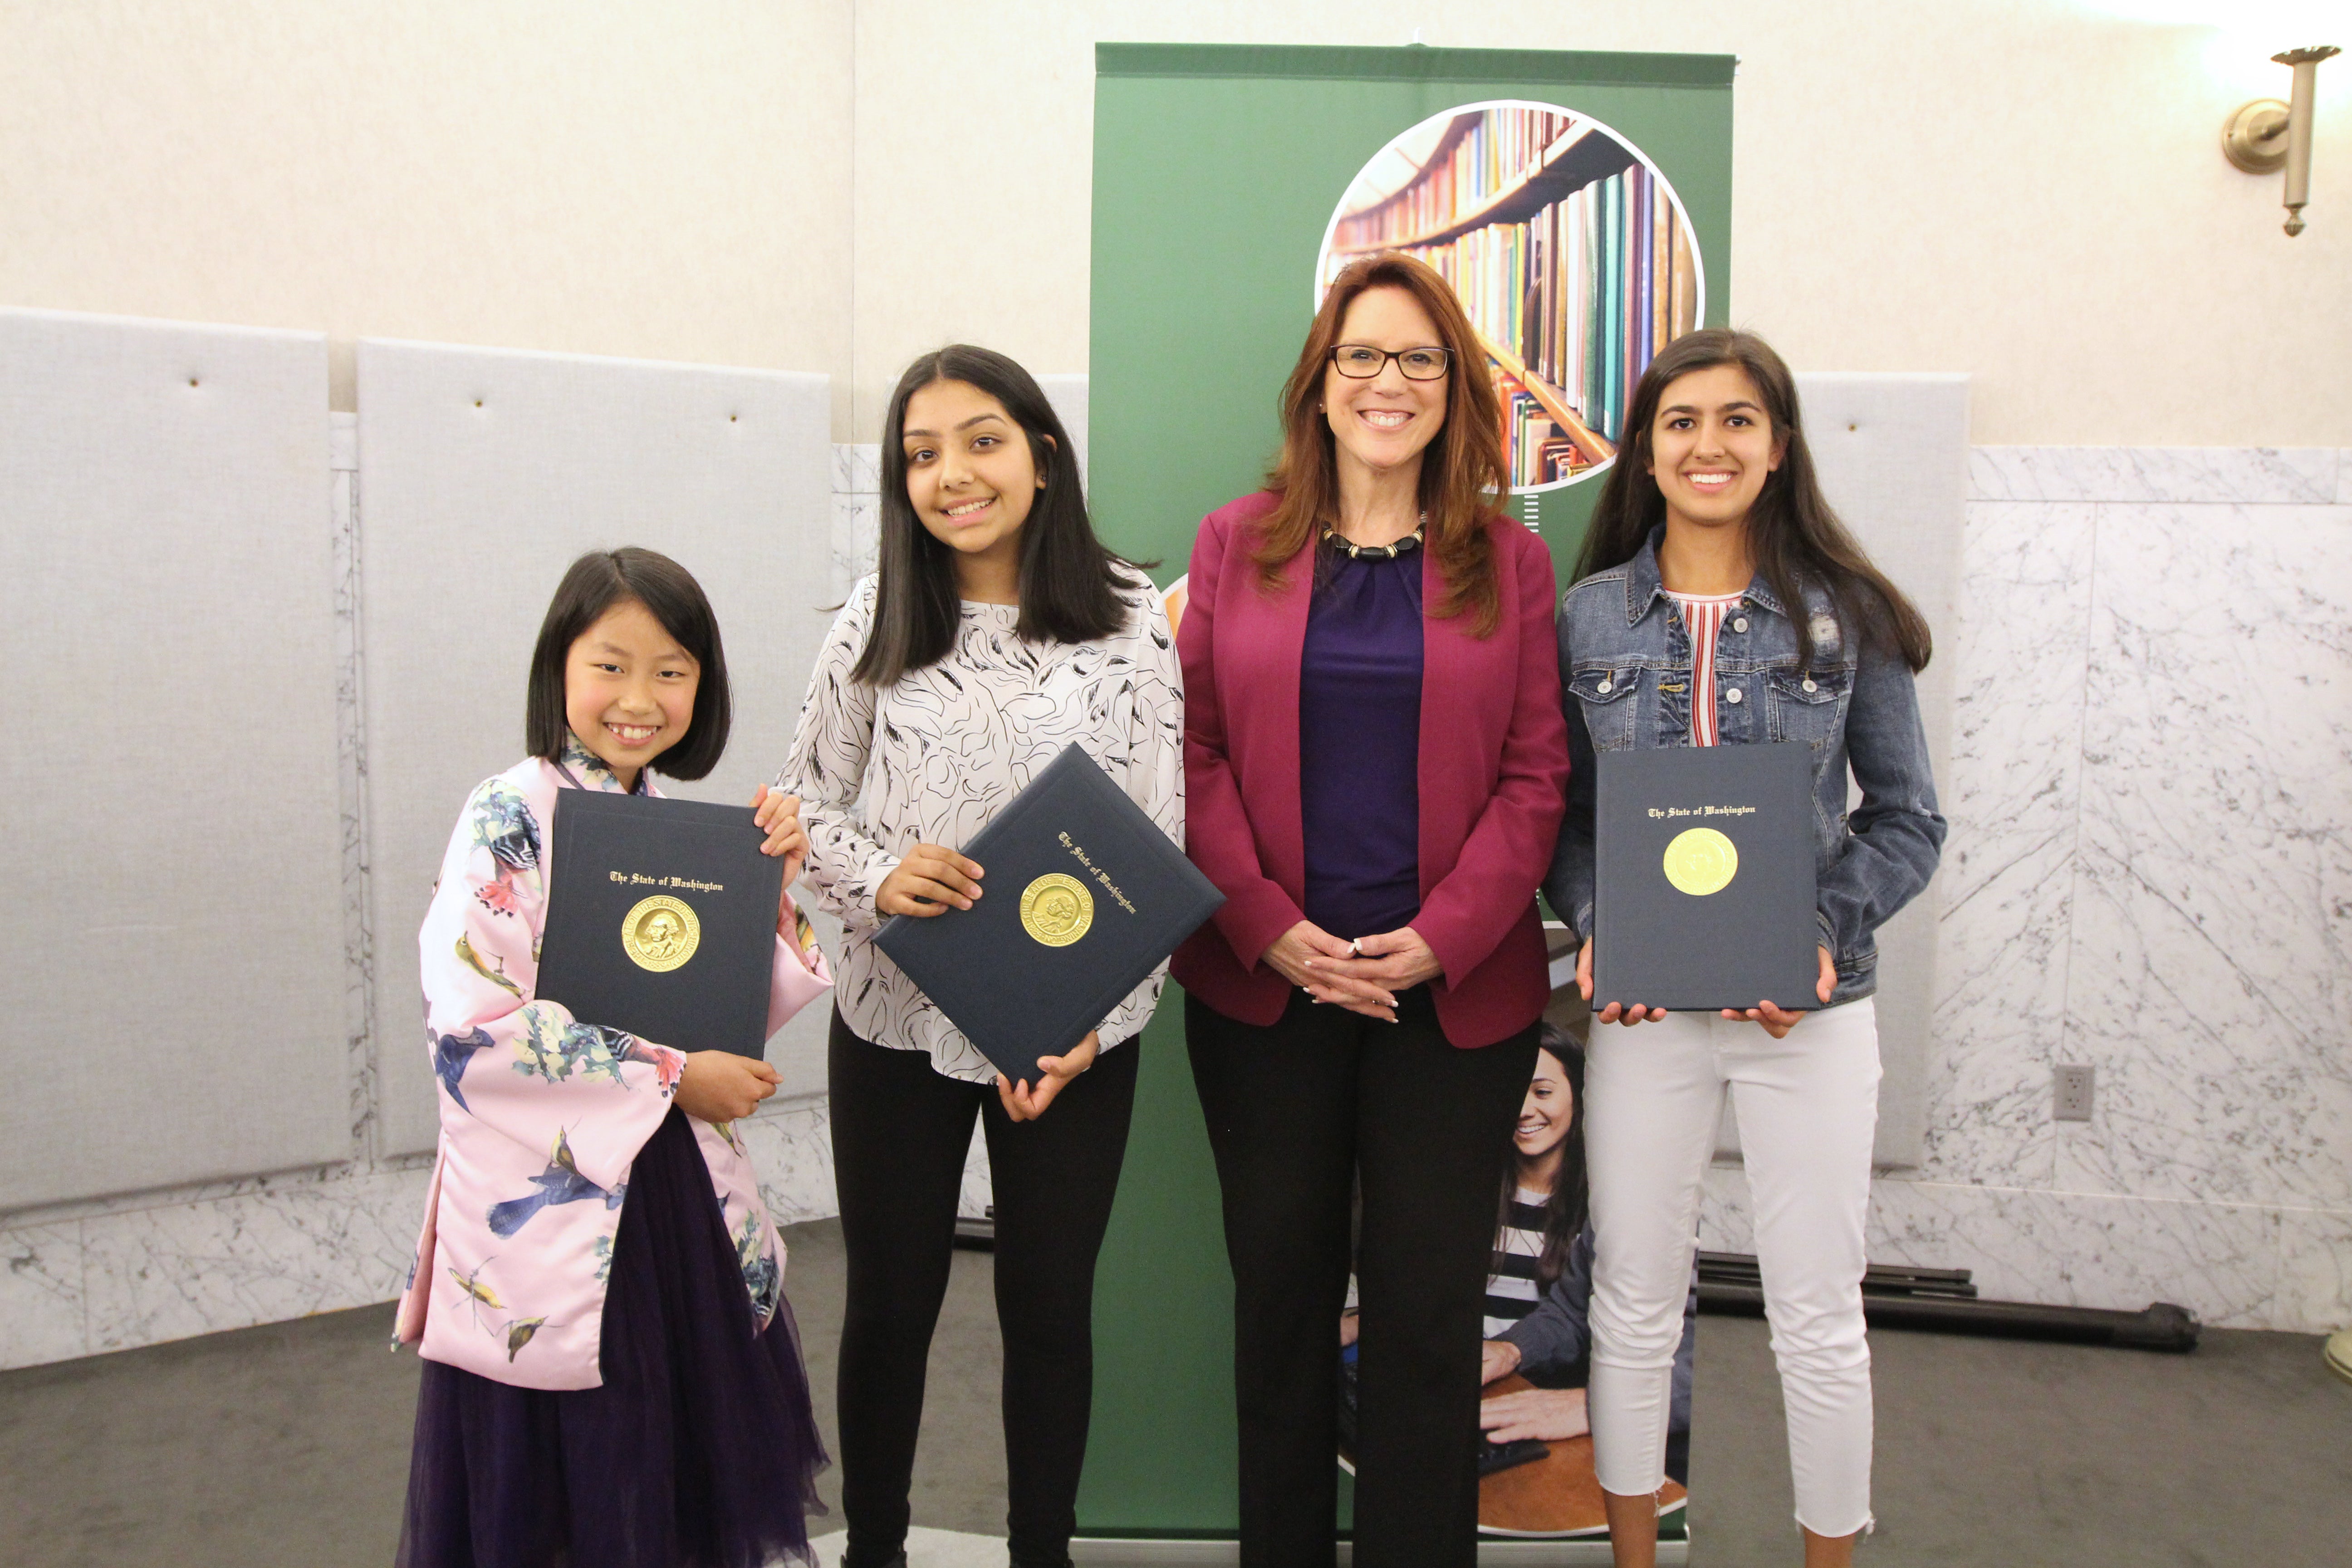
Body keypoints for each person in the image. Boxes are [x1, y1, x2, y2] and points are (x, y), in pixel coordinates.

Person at [1176, 251, 1569, 1568]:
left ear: (1456, 390)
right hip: (1264, 994)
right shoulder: (1236, 542)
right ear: (1321, 383)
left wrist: (1440, 940)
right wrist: (1268, 926)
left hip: (1450, 1008)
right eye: (1362, 355)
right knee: (1280, 1314)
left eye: (1419, 359)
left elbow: (1536, 776)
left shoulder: (1510, 564)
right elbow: (1192, 752)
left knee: (1423, 1322)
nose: (1387, 381)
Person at [778, 345, 1181, 1568]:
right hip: (894, 1018)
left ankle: (1042, 1552)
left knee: (1048, 1307)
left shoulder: (1127, 622)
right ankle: (878, 1548)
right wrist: (879, 875)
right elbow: (801, 812)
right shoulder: (878, 613)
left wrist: (1093, 1029)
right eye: (921, 452)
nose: (952, 474)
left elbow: (1161, 847)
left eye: (982, 440)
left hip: (1068, 1037)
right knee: (891, 1304)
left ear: (1043, 454)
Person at [1548, 329, 1944, 1568]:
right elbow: (1560, 818)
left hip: (1809, 1021)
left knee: (1820, 1315)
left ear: (1777, 449)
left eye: (1736, 421)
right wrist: (1604, 927)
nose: (1707, 444)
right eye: (1680, 422)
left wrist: (1820, 933)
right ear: (1647, 449)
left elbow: (1910, 819)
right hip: (1646, 1022)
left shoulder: (1850, 618)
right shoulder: (1586, 616)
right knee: (1632, 1301)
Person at [394, 547, 833, 1568]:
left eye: (672, 670)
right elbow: (472, 1026)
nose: (639, 698)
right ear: (560, 669)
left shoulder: (672, 825)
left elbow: (719, 1008)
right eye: (610, 665)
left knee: (668, 1476)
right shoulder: (509, 812)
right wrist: (678, 1077)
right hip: (564, 1198)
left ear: (703, 686)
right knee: (578, 1480)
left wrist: (769, 883)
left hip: (669, 1193)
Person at [1475, 1027, 1695, 1490]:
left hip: (1658, 1450)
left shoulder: (1667, 1191)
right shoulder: (1620, 1193)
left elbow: (1710, 1366)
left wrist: (1594, 1404)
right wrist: (1513, 1348)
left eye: (1543, 1091)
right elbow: (1573, 1311)